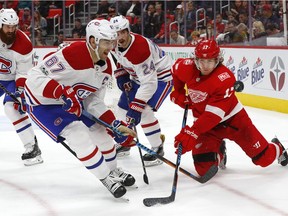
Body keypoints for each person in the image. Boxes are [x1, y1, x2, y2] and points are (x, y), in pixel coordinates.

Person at [24, 19, 136, 199]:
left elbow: (93, 101)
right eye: (107, 42)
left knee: (101, 132)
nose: (111, 47)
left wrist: (112, 123)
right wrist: (60, 92)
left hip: (74, 102)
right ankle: (105, 177)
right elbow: (33, 78)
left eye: (112, 42)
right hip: (43, 103)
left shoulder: (106, 67)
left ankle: (113, 170)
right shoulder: (72, 53)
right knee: (79, 135)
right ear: (93, 41)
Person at [170, 39, 288, 177]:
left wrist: (193, 132)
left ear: (218, 60)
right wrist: (178, 91)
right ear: (195, 59)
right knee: (204, 168)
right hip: (206, 127)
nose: (205, 66)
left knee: (263, 159)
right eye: (201, 61)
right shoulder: (187, 67)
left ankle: (277, 148)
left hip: (233, 122)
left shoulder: (224, 78)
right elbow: (174, 69)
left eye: (210, 61)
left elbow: (213, 115)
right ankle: (219, 151)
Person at [110, 15, 173, 166]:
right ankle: (126, 142)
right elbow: (120, 59)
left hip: (161, 78)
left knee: (144, 111)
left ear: (128, 31)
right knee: (121, 108)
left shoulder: (139, 49)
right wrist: (122, 75)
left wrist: (136, 107)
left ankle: (157, 148)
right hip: (139, 77)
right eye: (116, 34)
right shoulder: (112, 43)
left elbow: (149, 83)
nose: (120, 37)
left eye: (123, 32)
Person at [0, 8, 43, 166]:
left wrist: (20, 92)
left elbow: (23, 73)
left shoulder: (24, 43)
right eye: (7, 27)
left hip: (12, 78)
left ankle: (32, 146)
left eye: (13, 26)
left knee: (12, 108)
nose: (11, 30)